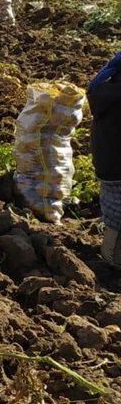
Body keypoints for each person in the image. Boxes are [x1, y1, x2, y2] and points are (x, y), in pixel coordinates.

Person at [88, 51, 121, 268]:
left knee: (115, 212)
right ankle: (112, 263)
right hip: (116, 166)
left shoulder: (107, 85)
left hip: (109, 163)